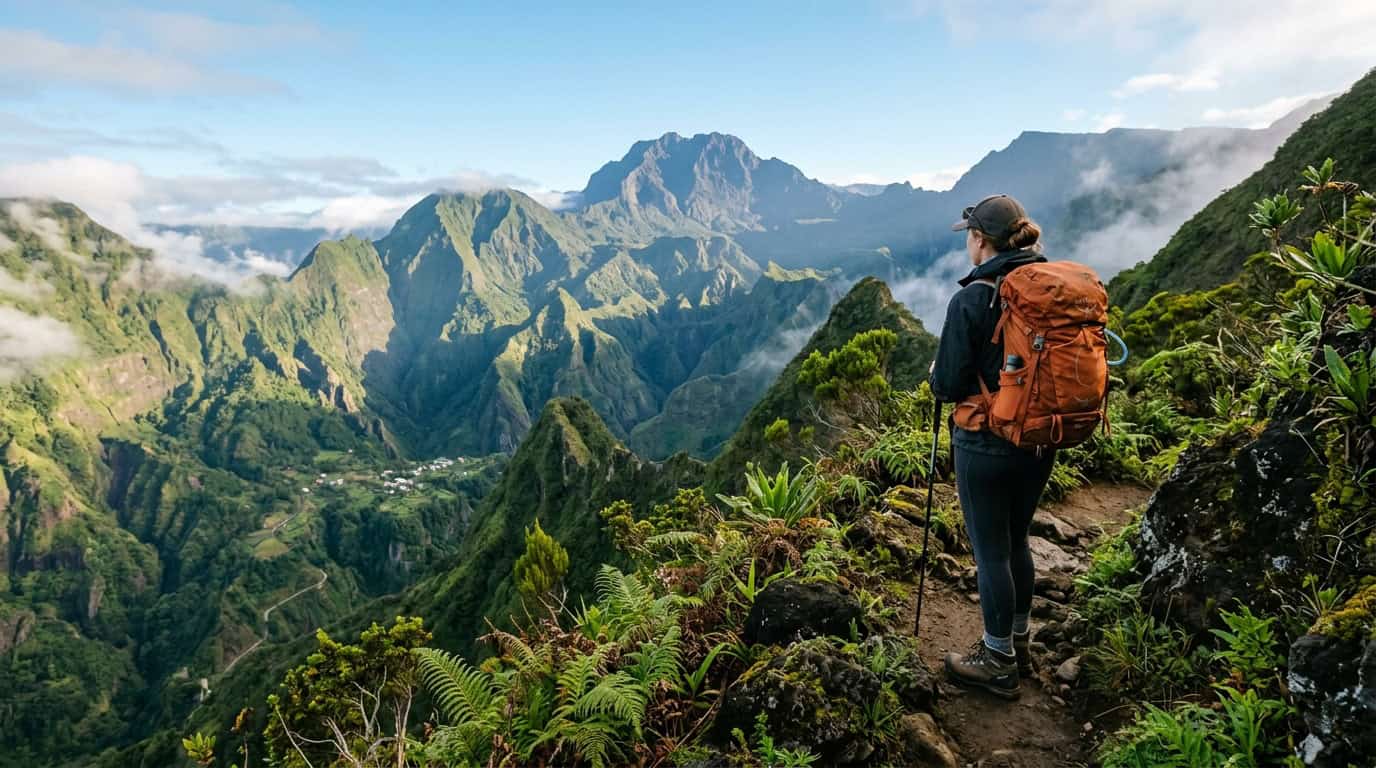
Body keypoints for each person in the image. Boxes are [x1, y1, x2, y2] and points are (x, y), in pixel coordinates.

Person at [928, 193, 1055, 700]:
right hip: (1042, 437)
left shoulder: (972, 298)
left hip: (985, 442)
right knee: (1018, 538)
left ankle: (997, 659)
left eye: (970, 236)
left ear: (979, 239)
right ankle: (1020, 640)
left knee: (990, 552)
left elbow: (949, 386)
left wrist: (939, 374)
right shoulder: (1046, 289)